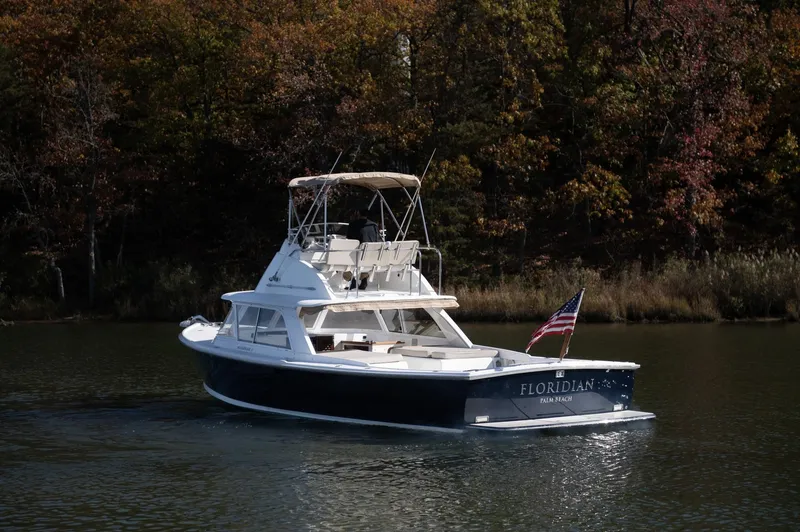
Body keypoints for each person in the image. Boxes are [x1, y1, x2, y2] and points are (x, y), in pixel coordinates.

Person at [344, 208, 379, 290]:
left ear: (358, 214)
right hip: (370, 255)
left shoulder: (353, 225)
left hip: (357, 254)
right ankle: (364, 279)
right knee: (365, 260)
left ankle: (351, 280)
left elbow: (349, 240)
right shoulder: (374, 225)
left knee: (343, 260)